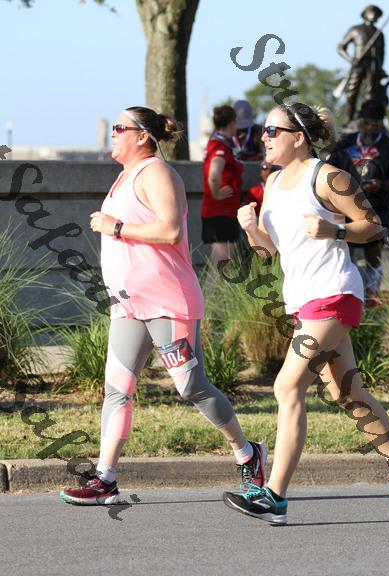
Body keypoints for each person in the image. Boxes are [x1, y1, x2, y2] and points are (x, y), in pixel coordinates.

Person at [60, 106, 266, 505]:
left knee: (191, 386)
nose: (113, 133)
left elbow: (170, 230)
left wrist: (115, 227)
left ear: (142, 136)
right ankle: (105, 478)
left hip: (167, 302)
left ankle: (247, 453)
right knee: (117, 390)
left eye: (120, 127)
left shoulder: (156, 172)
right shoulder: (124, 176)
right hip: (129, 304)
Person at [223, 101, 389, 524]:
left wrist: (335, 229)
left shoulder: (328, 177)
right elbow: (269, 252)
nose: (264, 138)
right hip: (304, 301)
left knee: (287, 387)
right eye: (264, 131)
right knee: (348, 395)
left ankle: (274, 497)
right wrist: (251, 228)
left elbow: (373, 225)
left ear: (298, 137)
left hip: (334, 293)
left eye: (272, 131)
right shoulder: (274, 182)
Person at [334, 99, 389, 304]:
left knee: (373, 255)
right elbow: (327, 169)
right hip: (346, 208)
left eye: (374, 123)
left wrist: (381, 184)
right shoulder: (345, 143)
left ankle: (372, 297)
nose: (369, 128)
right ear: (359, 123)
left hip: (376, 209)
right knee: (346, 252)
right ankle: (346, 294)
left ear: (380, 124)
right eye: (365, 123)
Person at [201, 105, 243, 286]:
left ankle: (212, 301)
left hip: (223, 213)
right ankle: (209, 302)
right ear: (232, 123)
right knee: (219, 268)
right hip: (221, 213)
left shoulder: (218, 143)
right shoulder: (220, 146)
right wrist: (217, 193)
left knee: (222, 266)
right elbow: (214, 174)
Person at [337, 5, 389, 123]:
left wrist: (380, 68)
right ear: (365, 14)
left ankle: (367, 119)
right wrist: (351, 59)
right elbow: (341, 48)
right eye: (371, 12)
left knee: (371, 96)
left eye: (376, 13)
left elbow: (381, 54)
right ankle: (349, 120)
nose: (374, 15)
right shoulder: (355, 30)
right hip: (358, 65)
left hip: (372, 66)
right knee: (351, 93)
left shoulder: (379, 33)